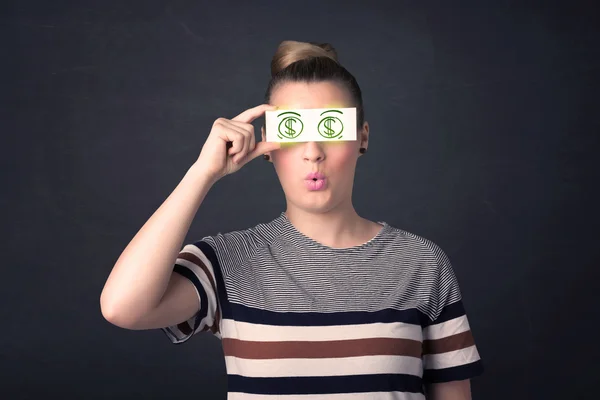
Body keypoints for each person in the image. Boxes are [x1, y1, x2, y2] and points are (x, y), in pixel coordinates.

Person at [100, 40, 484, 399]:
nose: (313, 153)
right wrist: (202, 173)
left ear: (362, 138)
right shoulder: (228, 262)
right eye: (294, 130)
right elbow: (123, 308)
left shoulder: (422, 264)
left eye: (331, 129)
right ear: (268, 146)